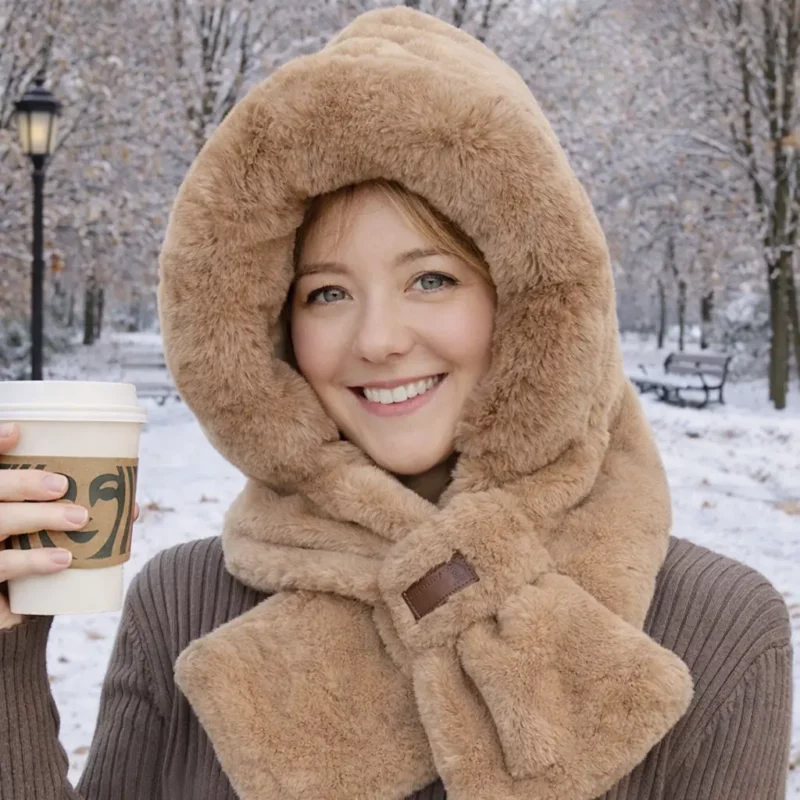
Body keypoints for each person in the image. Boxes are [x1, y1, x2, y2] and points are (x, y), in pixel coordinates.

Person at [0, 7, 792, 800]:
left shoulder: (715, 630)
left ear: (528, 308)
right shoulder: (183, 606)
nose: (377, 339)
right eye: (328, 292)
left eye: (432, 279)